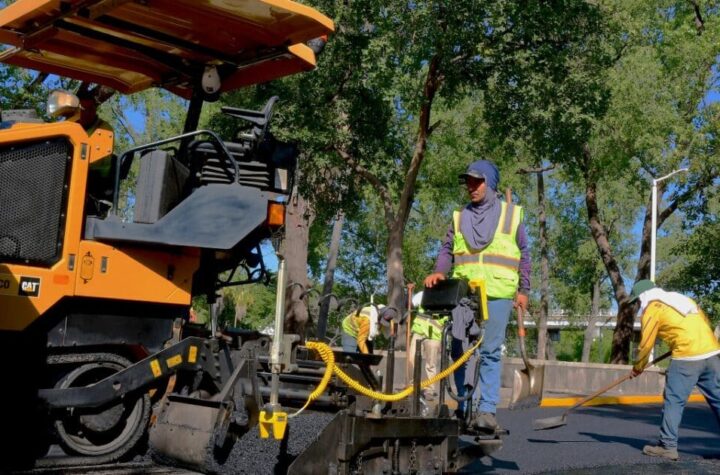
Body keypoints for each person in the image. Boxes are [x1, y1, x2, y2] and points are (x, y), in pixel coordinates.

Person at [424, 159, 530, 433]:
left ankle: (487, 411)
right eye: (468, 182)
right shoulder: (460, 217)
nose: (471, 187)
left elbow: (525, 255)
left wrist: (524, 291)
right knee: (460, 351)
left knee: (491, 351)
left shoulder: (511, 215)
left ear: (490, 183)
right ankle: (464, 408)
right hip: (465, 295)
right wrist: (439, 271)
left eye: (477, 181)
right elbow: (447, 249)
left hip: (498, 293)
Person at [628, 280, 720, 461]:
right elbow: (704, 321)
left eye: (637, 301)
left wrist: (638, 367)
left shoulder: (653, 308)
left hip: (687, 357)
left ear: (643, 296)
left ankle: (667, 446)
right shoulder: (683, 299)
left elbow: (646, 344)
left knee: (674, 401)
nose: (638, 306)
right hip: (712, 352)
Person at [408, 291, 447, 400]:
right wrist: (410, 295)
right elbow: (411, 304)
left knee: (431, 363)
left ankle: (430, 389)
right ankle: (413, 386)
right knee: (411, 359)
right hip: (419, 331)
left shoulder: (446, 295)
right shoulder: (422, 294)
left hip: (434, 335)